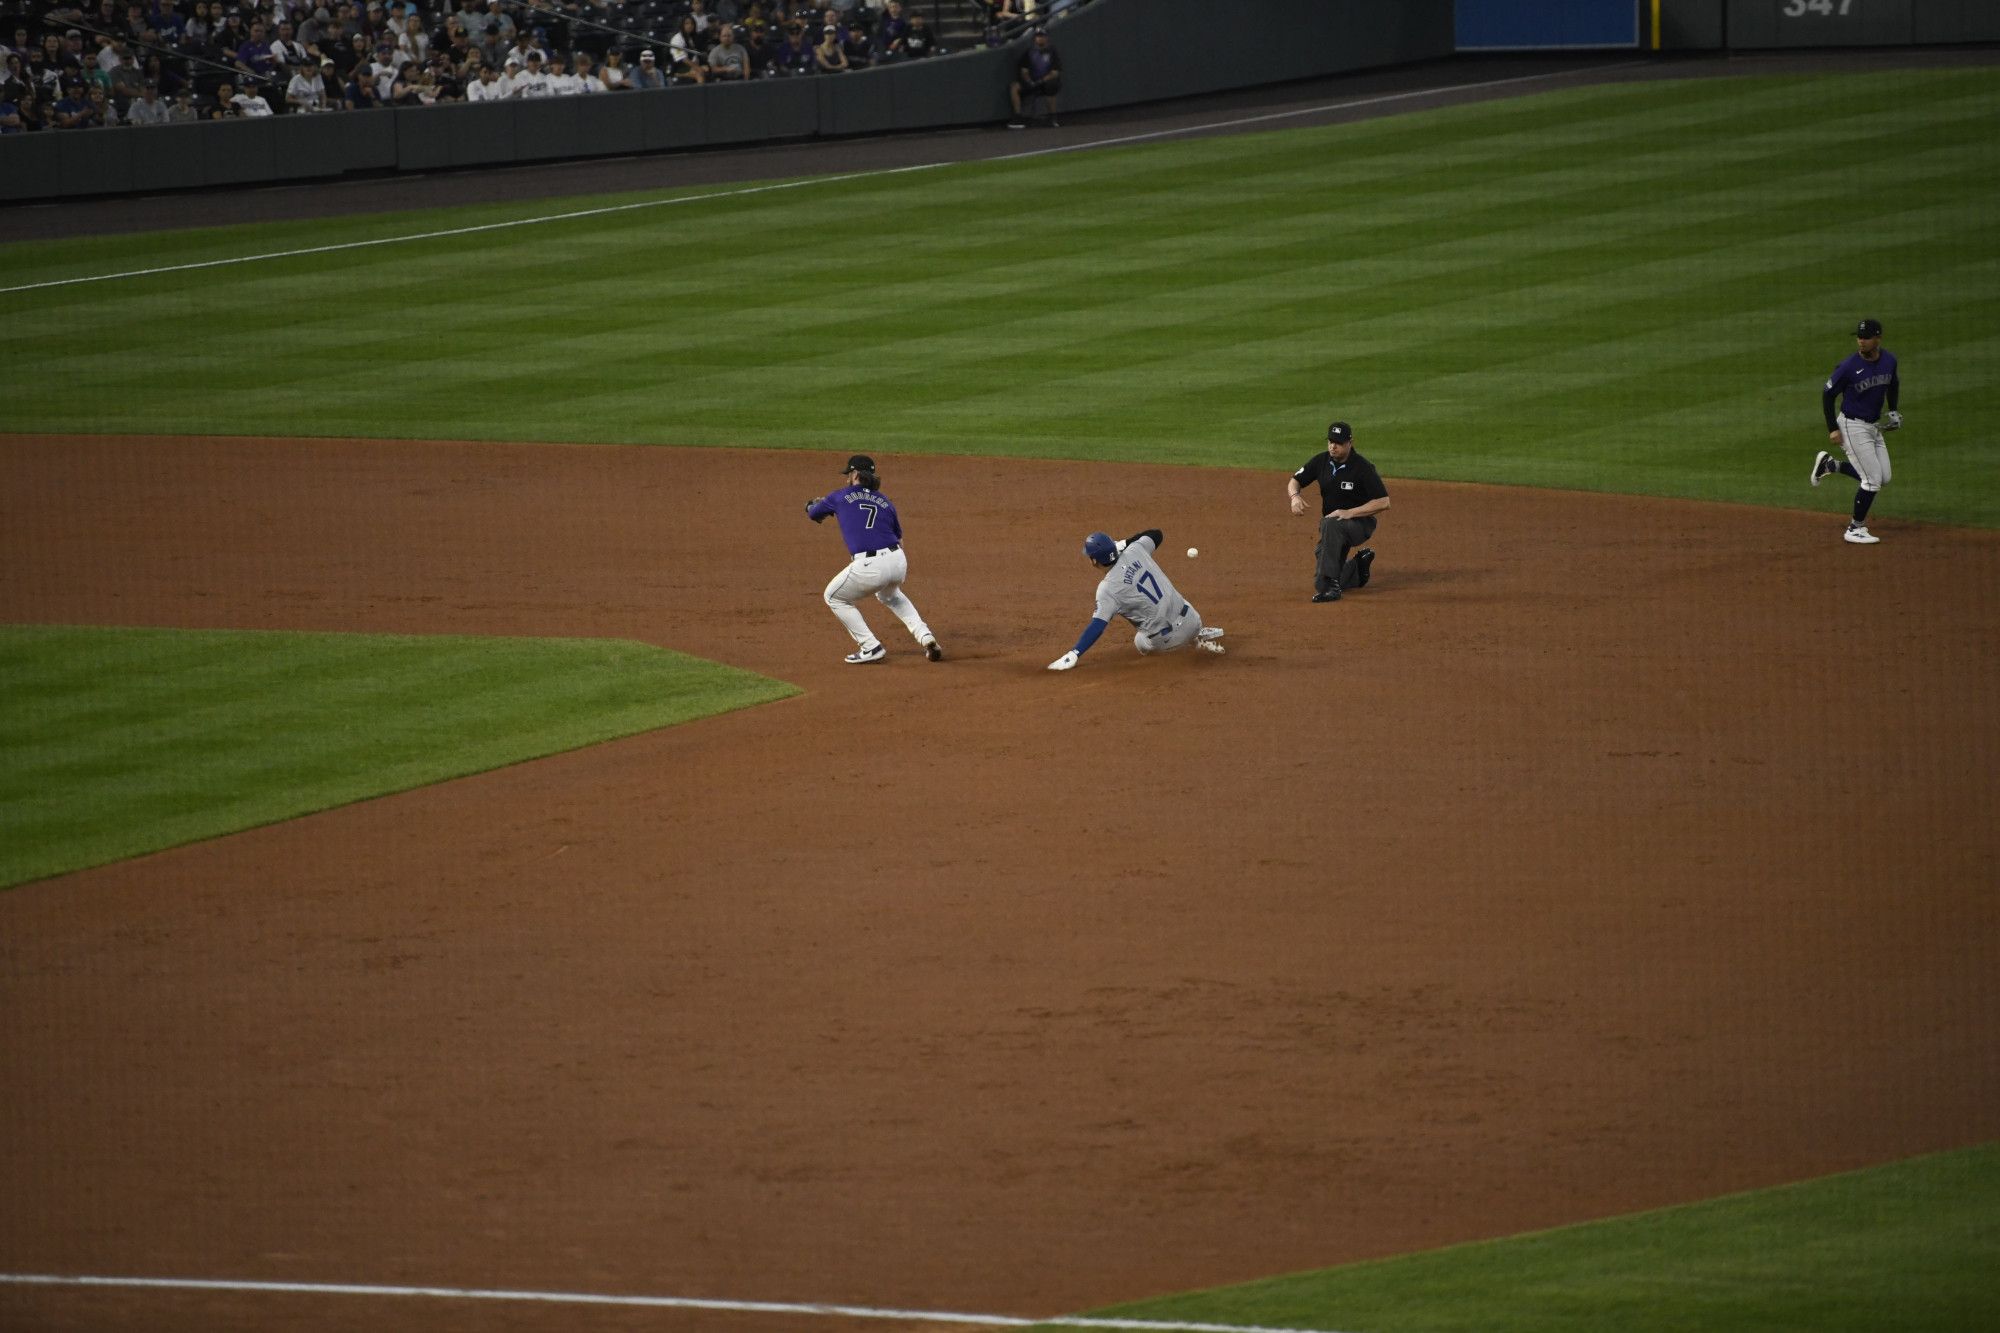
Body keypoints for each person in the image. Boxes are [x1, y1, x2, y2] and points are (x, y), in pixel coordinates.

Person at [805, 454, 943, 665]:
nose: (847, 478)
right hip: (897, 560)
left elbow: (814, 514)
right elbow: (899, 538)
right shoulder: (885, 501)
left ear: (856, 474)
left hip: (870, 566)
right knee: (892, 596)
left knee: (833, 597)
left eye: (849, 474)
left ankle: (870, 646)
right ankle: (926, 636)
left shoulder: (839, 496)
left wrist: (813, 505)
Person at [1047, 529, 1225, 671]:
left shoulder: (1107, 589)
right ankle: (1195, 636)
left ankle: (1188, 648)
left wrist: (1075, 653)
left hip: (1168, 641)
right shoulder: (1136, 549)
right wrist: (1125, 543)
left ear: (1094, 561)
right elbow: (1156, 534)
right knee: (1178, 604)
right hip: (1193, 619)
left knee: (1141, 641)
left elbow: (1097, 626)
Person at [1810, 317, 1901, 546]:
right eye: (1859, 337)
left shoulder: (1889, 360)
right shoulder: (1848, 367)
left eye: (1866, 337)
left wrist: (1893, 411)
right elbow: (1827, 395)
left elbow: (1893, 384)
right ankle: (1855, 528)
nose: (1861, 341)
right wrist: (1833, 428)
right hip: (1852, 426)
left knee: (1884, 477)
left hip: (1873, 427)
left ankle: (1831, 465)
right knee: (1872, 481)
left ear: (1878, 338)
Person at [1287, 420, 1389, 602]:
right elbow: (1295, 480)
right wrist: (1294, 496)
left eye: (1339, 443)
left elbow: (1384, 502)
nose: (1333, 446)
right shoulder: (1321, 461)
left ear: (1350, 443)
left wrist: (1350, 512)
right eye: (1331, 441)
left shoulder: (1362, 467)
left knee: (1329, 524)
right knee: (1322, 574)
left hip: (1360, 523)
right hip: (1333, 526)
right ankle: (1357, 570)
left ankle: (1331, 588)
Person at [1008, 24, 1059, 128]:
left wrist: (1041, 81)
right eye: (1037, 36)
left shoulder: (1052, 52)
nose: (1039, 38)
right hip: (1032, 81)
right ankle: (1018, 118)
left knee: (1051, 85)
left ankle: (1052, 118)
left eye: (1042, 36)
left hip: (1045, 82)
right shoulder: (1029, 52)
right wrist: (1029, 80)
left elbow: (1055, 73)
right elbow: (1024, 70)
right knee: (1014, 87)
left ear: (1046, 38)